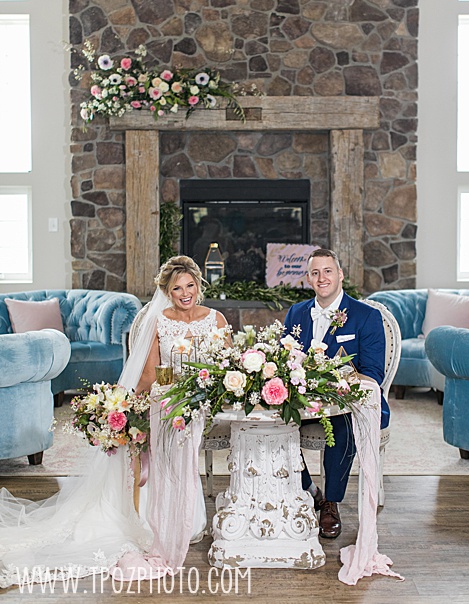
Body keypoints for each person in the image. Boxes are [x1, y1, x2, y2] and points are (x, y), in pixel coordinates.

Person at [0, 255, 228, 586]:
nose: (185, 293)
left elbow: (228, 363)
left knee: (192, 422)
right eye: (176, 288)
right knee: (176, 422)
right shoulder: (160, 322)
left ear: (199, 284)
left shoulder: (217, 320)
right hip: (174, 400)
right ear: (166, 291)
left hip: (210, 399)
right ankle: (171, 519)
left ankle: (193, 513)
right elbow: (149, 376)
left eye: (190, 285)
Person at [284, 248, 387, 540]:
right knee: (277, 421)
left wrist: (335, 385)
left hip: (347, 402)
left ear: (340, 275)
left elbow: (373, 374)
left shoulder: (366, 316)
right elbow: (285, 358)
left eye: (328, 271)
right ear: (309, 278)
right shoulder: (297, 313)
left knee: (342, 428)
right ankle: (308, 489)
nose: (322, 277)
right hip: (303, 400)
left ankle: (331, 502)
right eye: (315, 273)